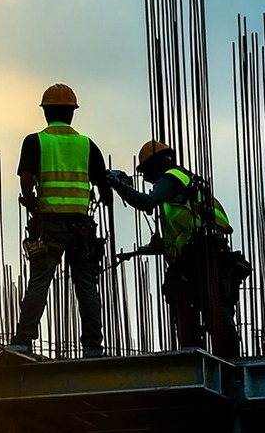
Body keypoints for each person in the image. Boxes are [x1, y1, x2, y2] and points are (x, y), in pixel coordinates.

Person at [102, 140, 248, 359]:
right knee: (194, 314)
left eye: (146, 172)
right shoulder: (181, 189)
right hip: (195, 257)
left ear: (157, 164)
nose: (148, 179)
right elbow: (180, 232)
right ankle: (204, 359)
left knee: (215, 313)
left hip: (203, 256)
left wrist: (117, 185)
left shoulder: (173, 178)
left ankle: (229, 364)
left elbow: (147, 202)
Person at [6, 83, 111, 359]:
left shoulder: (35, 141)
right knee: (86, 284)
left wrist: (30, 201)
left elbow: (26, 178)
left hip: (49, 222)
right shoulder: (87, 145)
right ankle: (92, 346)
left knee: (40, 281)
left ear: (45, 112)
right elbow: (104, 187)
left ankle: (23, 340)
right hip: (80, 226)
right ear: (72, 113)